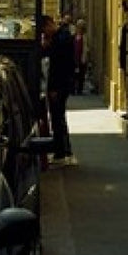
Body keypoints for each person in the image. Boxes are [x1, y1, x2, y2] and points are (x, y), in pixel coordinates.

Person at [41, 14, 77, 166]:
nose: (44, 33)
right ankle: (64, 151)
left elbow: (58, 67)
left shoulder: (60, 39)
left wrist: (54, 88)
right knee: (59, 117)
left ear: (49, 24)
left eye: (44, 29)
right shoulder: (61, 37)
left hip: (59, 86)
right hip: (62, 84)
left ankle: (61, 152)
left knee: (57, 118)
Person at [73, 19, 88, 95]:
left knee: (81, 75)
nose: (79, 28)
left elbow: (85, 48)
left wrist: (83, 58)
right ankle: (73, 89)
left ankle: (79, 90)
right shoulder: (74, 36)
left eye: (81, 27)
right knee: (74, 74)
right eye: (78, 26)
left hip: (81, 58)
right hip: (74, 57)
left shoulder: (84, 37)